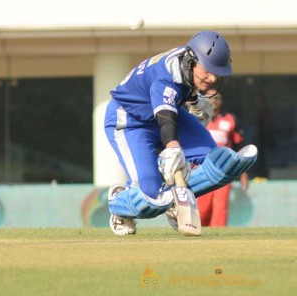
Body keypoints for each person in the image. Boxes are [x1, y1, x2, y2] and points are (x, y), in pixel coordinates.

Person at [105, 31, 258, 236]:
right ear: (192, 60)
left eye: (217, 72)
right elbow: (166, 117)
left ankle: (173, 199)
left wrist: (193, 101)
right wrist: (173, 148)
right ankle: (119, 204)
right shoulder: (166, 77)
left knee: (213, 160)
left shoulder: (187, 62)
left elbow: (178, 97)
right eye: (208, 70)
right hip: (129, 121)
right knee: (152, 197)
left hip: (158, 114)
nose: (213, 78)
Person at [197, 93, 248, 227]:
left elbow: (240, 147)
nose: (213, 100)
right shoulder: (197, 119)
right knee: (202, 210)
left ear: (221, 101)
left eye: (217, 97)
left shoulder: (230, 119)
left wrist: (243, 173)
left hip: (224, 171)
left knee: (220, 208)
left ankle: (219, 241)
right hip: (202, 171)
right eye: (209, 97)